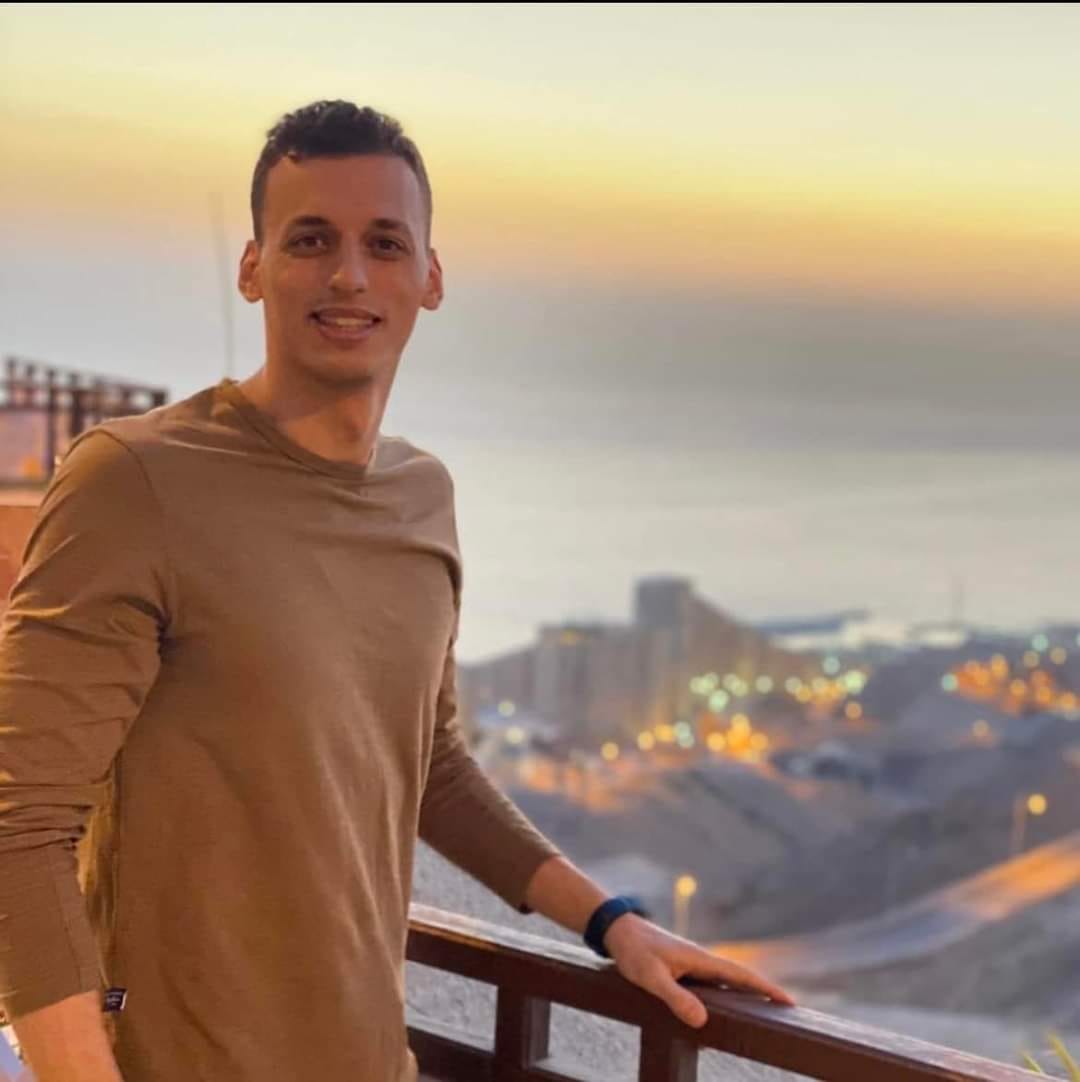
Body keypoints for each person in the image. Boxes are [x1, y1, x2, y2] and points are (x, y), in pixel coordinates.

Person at [0, 100, 793, 1082]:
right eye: (310, 240)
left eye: (384, 243)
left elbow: (432, 763)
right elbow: (19, 826)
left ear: (431, 276)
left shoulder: (423, 497)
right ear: (252, 267)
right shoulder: (135, 480)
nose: (348, 274)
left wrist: (612, 922)